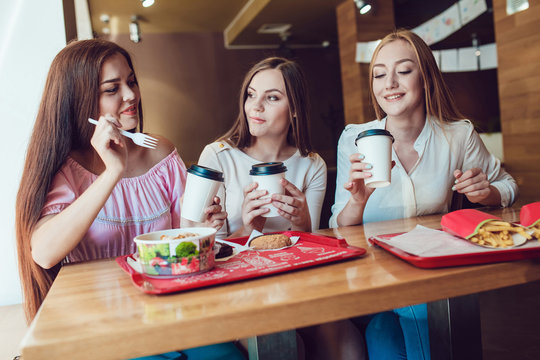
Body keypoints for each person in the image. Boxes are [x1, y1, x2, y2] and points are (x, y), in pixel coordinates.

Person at [15, 39, 243, 360]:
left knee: (227, 357)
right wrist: (112, 172)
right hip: (101, 323)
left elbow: (183, 233)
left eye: (131, 81)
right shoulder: (65, 168)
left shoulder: (161, 152)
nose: (131, 95)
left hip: (171, 309)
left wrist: (204, 227)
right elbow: (44, 253)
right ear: (79, 100)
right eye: (112, 89)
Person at [329, 29, 518, 359]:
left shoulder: (457, 136)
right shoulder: (354, 139)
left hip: (432, 274)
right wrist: (358, 200)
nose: (389, 83)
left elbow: (508, 187)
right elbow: (338, 227)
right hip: (372, 277)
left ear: (426, 77)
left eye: (403, 71)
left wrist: (486, 193)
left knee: (383, 340)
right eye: (379, 75)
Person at [197, 57, 327, 239]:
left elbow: (310, 245)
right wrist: (248, 230)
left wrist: (302, 223)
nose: (255, 106)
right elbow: (212, 251)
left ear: (295, 108)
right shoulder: (218, 157)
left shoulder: (312, 165)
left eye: (272, 97)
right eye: (251, 95)